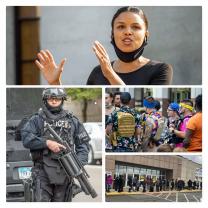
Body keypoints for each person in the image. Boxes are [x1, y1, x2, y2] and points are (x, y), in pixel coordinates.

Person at [35, 7, 173, 85]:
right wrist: (55, 83)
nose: (128, 32)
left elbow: (134, 112)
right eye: (120, 27)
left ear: (146, 35)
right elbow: (75, 119)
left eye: (136, 27)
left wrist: (110, 74)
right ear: (112, 34)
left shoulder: (161, 70)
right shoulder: (97, 73)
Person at [21, 88, 90, 202]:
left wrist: (77, 164)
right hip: (42, 171)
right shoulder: (36, 119)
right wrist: (46, 143)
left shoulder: (72, 120)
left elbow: (83, 145)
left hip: (65, 171)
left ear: (62, 100)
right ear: (45, 100)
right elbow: (26, 139)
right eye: (51, 99)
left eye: (57, 99)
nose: (54, 101)